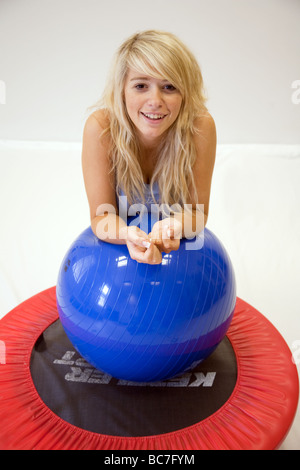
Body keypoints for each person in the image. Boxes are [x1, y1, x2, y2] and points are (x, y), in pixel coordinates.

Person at [82, 30, 216, 265]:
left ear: (185, 93)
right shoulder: (101, 128)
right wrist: (126, 235)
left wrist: (176, 226)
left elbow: (197, 213)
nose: (155, 101)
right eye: (141, 85)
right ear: (122, 90)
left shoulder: (199, 127)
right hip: (117, 248)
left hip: (179, 253)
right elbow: (101, 216)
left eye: (169, 87)